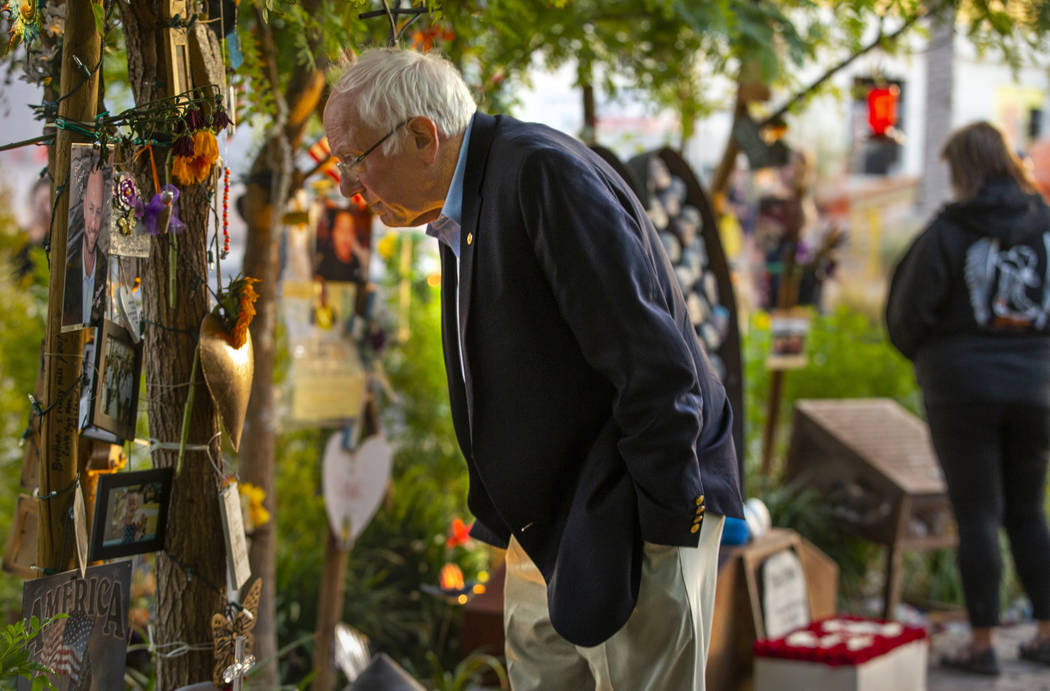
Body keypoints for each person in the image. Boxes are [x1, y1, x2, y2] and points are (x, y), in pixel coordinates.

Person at [324, 48, 743, 689]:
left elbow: (655, 363)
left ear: (421, 136)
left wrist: (663, 528)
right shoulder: (469, 196)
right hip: (551, 526)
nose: (346, 185)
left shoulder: (541, 174)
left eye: (353, 159)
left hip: (631, 511)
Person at [887, 120, 1050, 675]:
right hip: (1038, 388)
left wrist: (939, 360)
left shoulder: (947, 232)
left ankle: (981, 645)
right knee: (1028, 511)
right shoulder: (1047, 227)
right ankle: (1047, 633)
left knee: (977, 512)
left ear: (963, 170)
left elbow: (907, 316)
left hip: (961, 391)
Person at [62, 164, 107, 328]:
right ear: (84, 205)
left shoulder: (107, 268)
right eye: (91, 209)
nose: (94, 224)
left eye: (99, 212)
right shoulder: (67, 267)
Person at [315, 206, 370, 283]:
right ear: (334, 233)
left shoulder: (357, 262)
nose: (346, 237)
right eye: (342, 231)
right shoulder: (324, 261)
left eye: (349, 231)